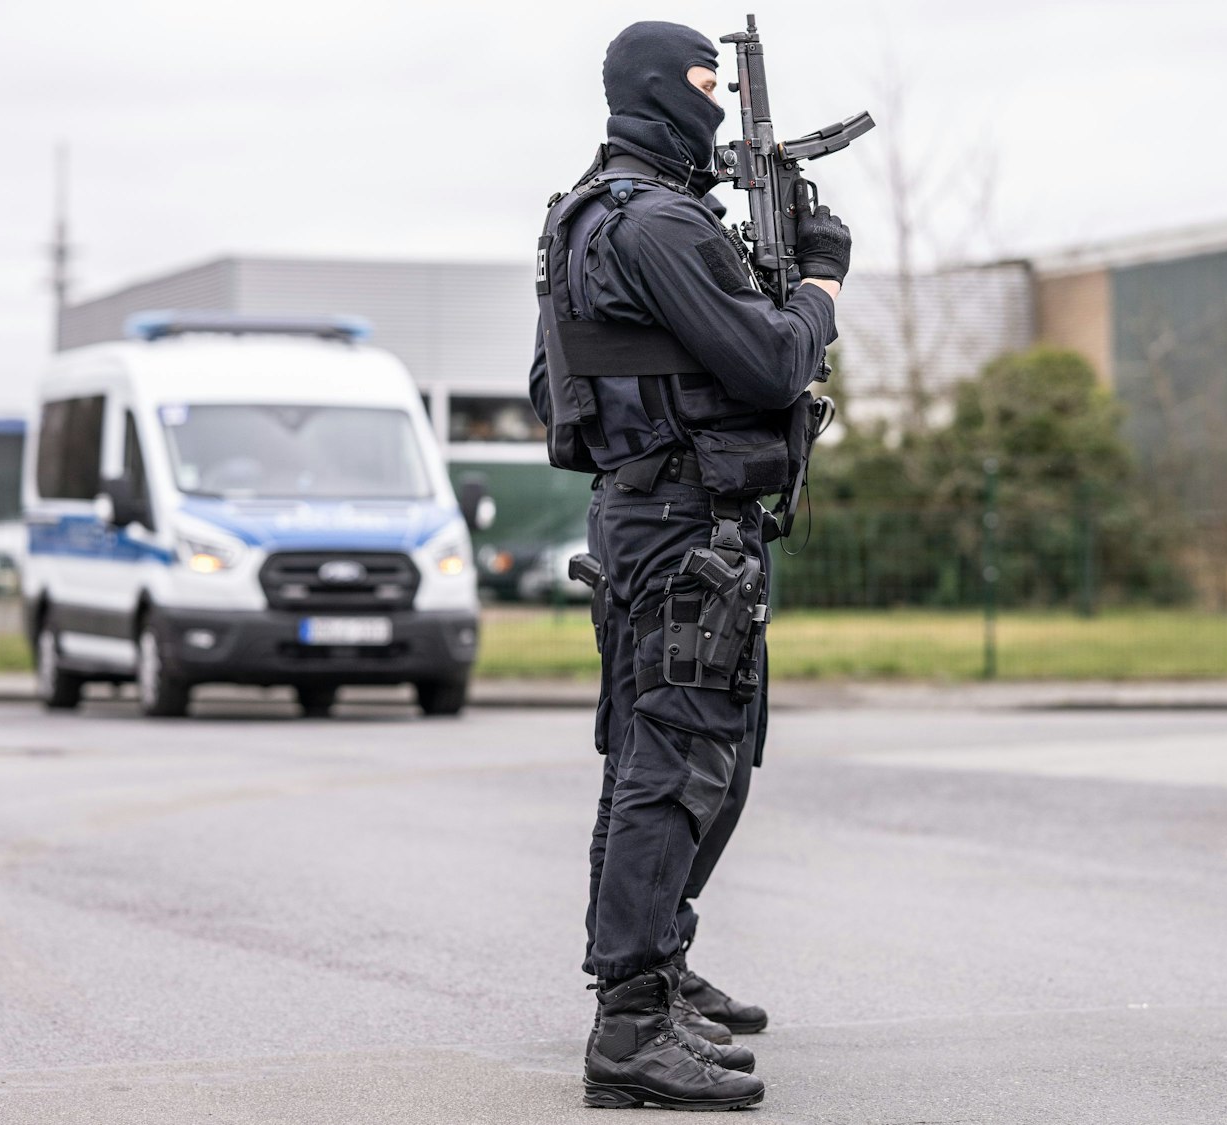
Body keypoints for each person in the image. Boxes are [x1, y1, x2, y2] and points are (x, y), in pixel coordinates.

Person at [526, 19, 851, 1112]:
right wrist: (818, 283)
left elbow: (553, 391)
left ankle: (654, 969)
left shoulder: (580, 216)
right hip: (681, 531)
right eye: (705, 85)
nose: (716, 106)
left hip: (641, 518)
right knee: (675, 769)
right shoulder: (662, 224)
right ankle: (629, 1025)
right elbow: (771, 361)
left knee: (674, 761)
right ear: (661, 89)